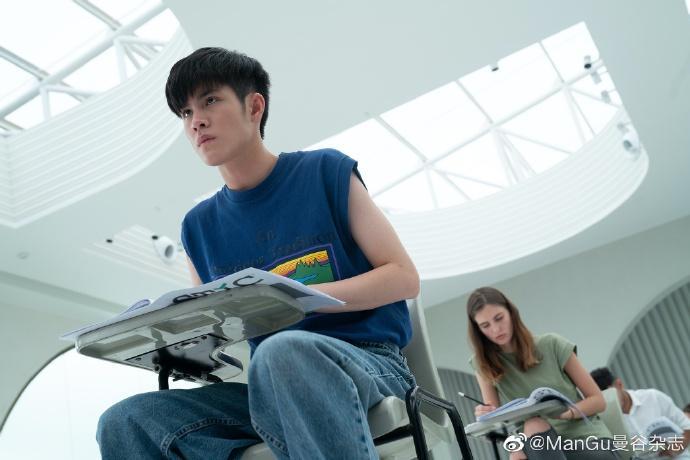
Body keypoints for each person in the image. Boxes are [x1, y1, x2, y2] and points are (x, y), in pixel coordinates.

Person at [95, 47, 421, 460]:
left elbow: (403, 277)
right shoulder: (197, 227)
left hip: (368, 364)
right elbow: (221, 333)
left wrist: (292, 299)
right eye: (186, 112)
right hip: (268, 384)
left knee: (284, 353)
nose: (196, 121)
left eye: (210, 101)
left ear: (254, 107)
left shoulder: (325, 172)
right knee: (125, 421)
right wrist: (175, 339)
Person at [467, 287, 617, 459]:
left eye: (499, 318)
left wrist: (564, 414)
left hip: (586, 442)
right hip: (538, 447)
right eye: (485, 325)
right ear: (478, 330)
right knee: (529, 433)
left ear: (511, 313)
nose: (495, 329)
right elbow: (497, 422)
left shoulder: (552, 344)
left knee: (533, 426)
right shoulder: (483, 364)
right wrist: (486, 414)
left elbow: (598, 401)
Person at [590, 367, 690, 458]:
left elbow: (687, 426)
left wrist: (676, 448)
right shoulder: (603, 418)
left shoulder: (653, 397)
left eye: (611, 395)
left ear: (619, 384)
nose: (609, 401)